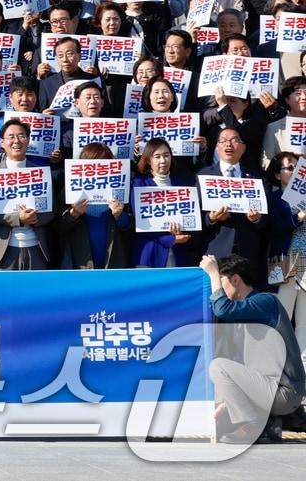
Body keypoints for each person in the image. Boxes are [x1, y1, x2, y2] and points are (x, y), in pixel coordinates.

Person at [202, 253, 305, 443]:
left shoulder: (265, 302)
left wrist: (213, 273)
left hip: (284, 391)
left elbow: (222, 308)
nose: (215, 289)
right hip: (269, 390)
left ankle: (251, 427)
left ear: (235, 279)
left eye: (219, 282)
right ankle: (271, 423)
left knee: (218, 367)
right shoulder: (245, 313)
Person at [0, 119, 55, 270]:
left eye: (21, 136)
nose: (16, 141)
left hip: (37, 248)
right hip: (1, 251)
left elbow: (52, 211)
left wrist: (34, 218)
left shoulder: (41, 173)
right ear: (1, 142)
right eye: (11, 137)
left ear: (28, 140)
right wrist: (18, 219)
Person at [199, 126, 269, 275]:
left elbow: (267, 221)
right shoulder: (203, 176)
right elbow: (196, 217)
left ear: (243, 147)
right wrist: (211, 218)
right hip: (216, 250)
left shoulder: (256, 178)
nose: (228, 144)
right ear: (217, 148)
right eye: (223, 141)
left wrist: (257, 219)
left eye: (234, 140)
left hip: (247, 253)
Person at [57, 143, 131, 269]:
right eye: (94, 162)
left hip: (113, 261)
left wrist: (120, 215)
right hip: (80, 262)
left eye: (104, 162)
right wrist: (73, 215)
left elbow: (130, 227)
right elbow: (57, 228)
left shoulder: (120, 188)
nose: (99, 167)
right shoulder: (71, 189)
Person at [129, 137, 196, 268]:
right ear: (148, 160)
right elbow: (141, 222)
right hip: (148, 254)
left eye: (166, 155)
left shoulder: (181, 184)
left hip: (177, 254)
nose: (163, 160)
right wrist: (170, 239)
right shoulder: (138, 184)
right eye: (157, 156)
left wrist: (181, 233)